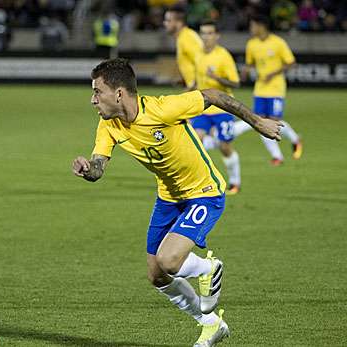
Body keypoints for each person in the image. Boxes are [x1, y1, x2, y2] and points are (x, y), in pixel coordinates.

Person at [72, 59, 282, 346]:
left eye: (98, 92)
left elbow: (212, 95)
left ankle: (209, 268)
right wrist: (88, 170)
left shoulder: (162, 108)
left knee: (169, 260)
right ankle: (211, 324)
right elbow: (98, 166)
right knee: (157, 275)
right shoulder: (108, 125)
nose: (92, 99)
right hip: (169, 198)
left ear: (119, 93)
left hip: (204, 191)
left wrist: (258, 122)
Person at [236, 15, 302, 166]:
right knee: (261, 122)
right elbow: (250, 63)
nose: (251, 29)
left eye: (253, 25)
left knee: (274, 120)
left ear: (261, 26)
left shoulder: (278, 43)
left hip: (276, 89)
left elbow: (291, 63)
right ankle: (277, 156)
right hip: (260, 89)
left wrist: (273, 73)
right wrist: (245, 72)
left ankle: (294, 139)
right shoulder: (251, 44)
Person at [192, 21, 241, 194]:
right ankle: (199, 184)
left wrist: (217, 78)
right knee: (194, 142)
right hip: (203, 108)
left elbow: (235, 83)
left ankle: (235, 181)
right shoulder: (198, 55)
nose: (206, 37)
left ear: (217, 36)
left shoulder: (224, 56)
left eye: (209, 33)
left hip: (222, 107)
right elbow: (198, 81)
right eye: (203, 33)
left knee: (225, 147)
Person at [163, 5, 203, 89]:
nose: (165, 23)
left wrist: (194, 85)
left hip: (201, 90)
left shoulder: (187, 38)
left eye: (168, 20)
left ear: (179, 23)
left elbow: (202, 62)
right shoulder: (183, 37)